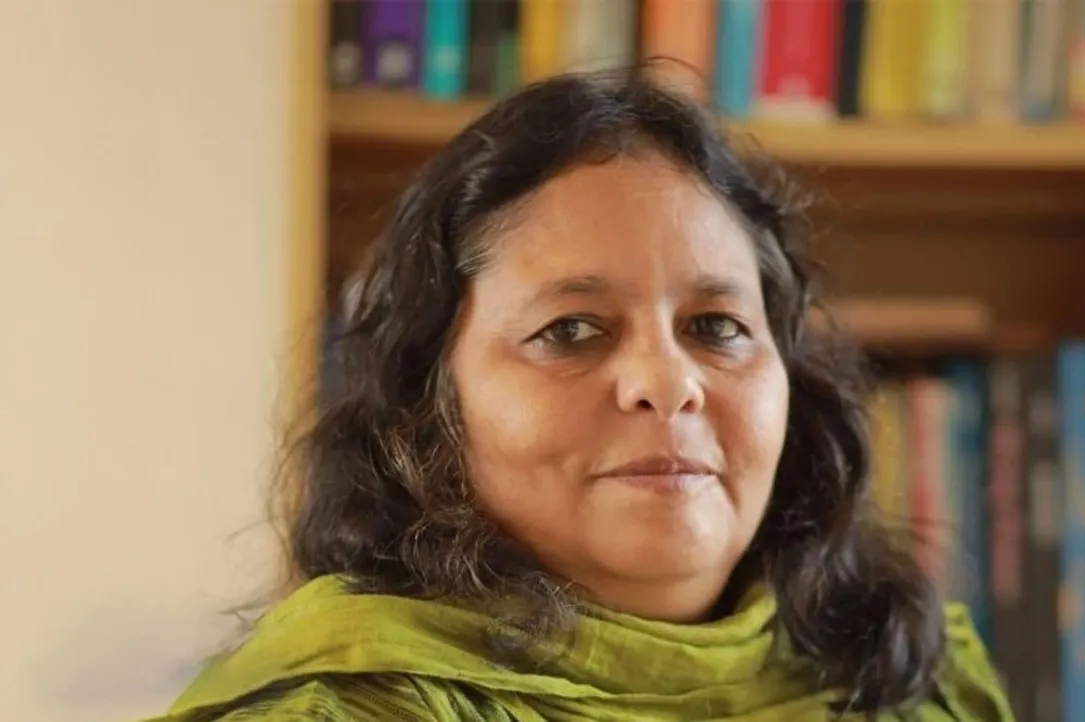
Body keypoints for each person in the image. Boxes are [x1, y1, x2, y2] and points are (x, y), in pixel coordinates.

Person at [148, 69, 1013, 722]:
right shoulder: (340, 711)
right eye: (571, 330)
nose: (668, 383)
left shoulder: (918, 686)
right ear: (431, 407)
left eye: (716, 327)